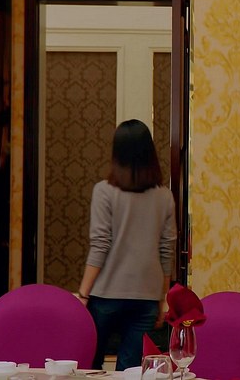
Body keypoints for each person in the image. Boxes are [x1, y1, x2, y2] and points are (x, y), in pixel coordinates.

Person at [78, 119, 177, 371]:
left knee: (90, 366)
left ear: (117, 153)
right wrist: (162, 298)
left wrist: (83, 294)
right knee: (130, 369)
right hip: (146, 296)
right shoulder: (164, 196)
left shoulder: (104, 191)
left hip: (105, 295)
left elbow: (100, 244)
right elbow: (167, 250)